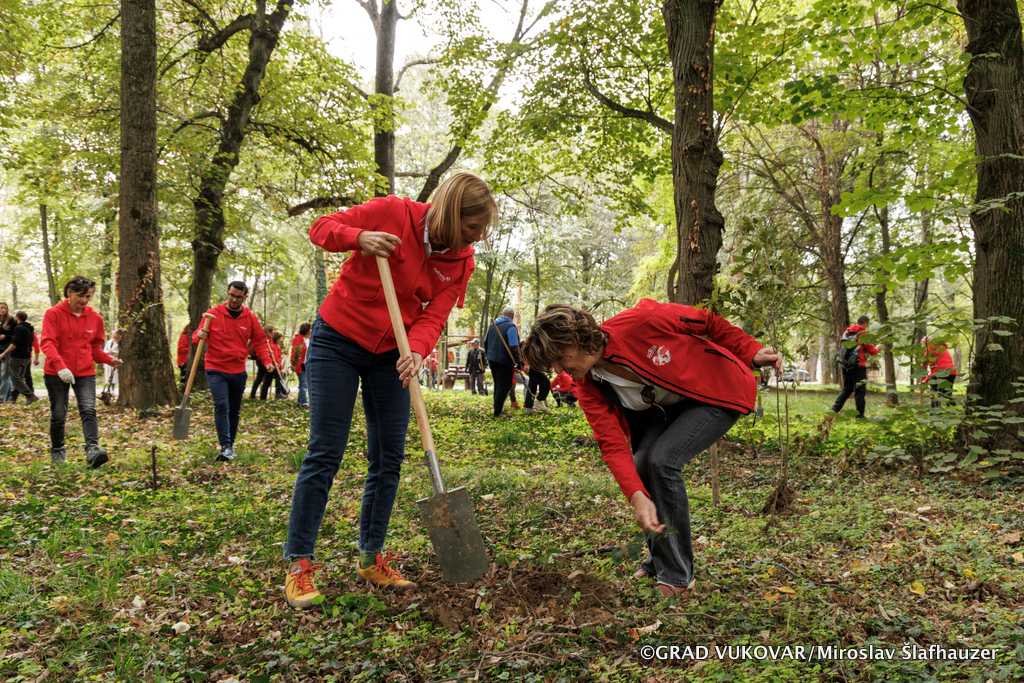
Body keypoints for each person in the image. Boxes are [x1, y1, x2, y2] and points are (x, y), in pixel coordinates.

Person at [282, 172, 497, 609]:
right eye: (473, 227)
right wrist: (358, 237)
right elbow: (321, 228)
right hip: (338, 340)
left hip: (392, 354)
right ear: (450, 213)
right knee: (326, 450)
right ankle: (299, 562)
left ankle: (371, 557)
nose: (477, 237)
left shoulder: (462, 261)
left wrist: (416, 351)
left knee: (388, 457)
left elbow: (435, 314)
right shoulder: (392, 212)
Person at [522, 300, 782, 598]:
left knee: (662, 460)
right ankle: (661, 559)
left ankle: (678, 576)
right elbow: (612, 445)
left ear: (576, 340)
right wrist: (637, 497)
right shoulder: (589, 386)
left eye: (559, 358)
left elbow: (708, 322)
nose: (558, 369)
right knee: (641, 463)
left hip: (718, 391)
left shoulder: (642, 320)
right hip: (669, 409)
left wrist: (751, 351)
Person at [40, 276, 124, 466]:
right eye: (80, 295)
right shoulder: (53, 314)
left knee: (88, 410)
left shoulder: (95, 318)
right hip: (56, 372)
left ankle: (93, 450)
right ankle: (58, 451)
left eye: (88, 296)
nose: (84, 300)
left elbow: (94, 348)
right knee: (58, 414)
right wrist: (60, 366)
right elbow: (47, 342)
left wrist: (108, 360)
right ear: (69, 293)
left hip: (85, 372)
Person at [196, 282, 273, 462]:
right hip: (215, 367)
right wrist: (199, 335)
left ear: (244, 298)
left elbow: (260, 342)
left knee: (234, 410)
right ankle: (225, 446)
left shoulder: (250, 318)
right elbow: (197, 336)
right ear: (227, 293)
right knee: (221, 405)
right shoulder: (213, 314)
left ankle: (230, 446)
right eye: (231, 295)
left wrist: (267, 361)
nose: (234, 299)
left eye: (238, 297)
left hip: (238, 369)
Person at [830, 315, 879, 418]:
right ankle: (860, 415)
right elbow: (872, 352)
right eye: (867, 325)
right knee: (860, 391)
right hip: (859, 365)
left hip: (846, 365)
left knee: (847, 389)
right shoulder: (863, 335)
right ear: (865, 323)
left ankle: (834, 409)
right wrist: (878, 347)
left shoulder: (847, 332)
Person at [484, 305, 522, 418]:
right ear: (512, 316)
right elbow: (514, 346)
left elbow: (486, 342)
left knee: (498, 384)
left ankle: (498, 409)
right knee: (504, 386)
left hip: (492, 359)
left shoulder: (493, 325)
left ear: (503, 314)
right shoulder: (510, 326)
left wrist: (489, 355)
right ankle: (498, 411)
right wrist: (518, 361)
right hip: (505, 360)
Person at [0, 311, 38, 404]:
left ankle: (30, 395)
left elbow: (15, 343)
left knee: (15, 378)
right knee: (19, 378)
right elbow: (32, 343)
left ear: (17, 318)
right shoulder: (29, 329)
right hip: (26, 357)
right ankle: (12, 399)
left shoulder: (18, 328)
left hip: (17, 356)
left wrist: (4, 353)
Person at [922, 337, 956, 407]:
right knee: (948, 394)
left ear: (927, 342)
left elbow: (925, 358)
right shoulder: (941, 348)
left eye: (922, 344)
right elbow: (935, 370)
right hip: (951, 372)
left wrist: (922, 365)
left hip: (940, 374)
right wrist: (925, 380)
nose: (922, 346)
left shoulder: (931, 346)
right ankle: (953, 411)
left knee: (935, 395)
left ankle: (934, 412)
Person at [259, 331, 289, 400]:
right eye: (279, 339)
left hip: (274, 365)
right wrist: (278, 366)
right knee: (278, 378)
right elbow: (274, 357)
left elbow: (277, 357)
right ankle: (278, 393)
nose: (280, 340)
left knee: (271, 380)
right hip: (273, 365)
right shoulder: (273, 345)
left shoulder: (275, 345)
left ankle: (264, 397)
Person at [249, 324, 276, 399]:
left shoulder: (270, 339)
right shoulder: (265, 338)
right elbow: (263, 348)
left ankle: (253, 395)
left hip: (264, 360)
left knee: (259, 378)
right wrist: (269, 352)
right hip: (263, 360)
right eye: (273, 330)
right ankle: (263, 397)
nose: (274, 332)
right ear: (269, 331)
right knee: (267, 378)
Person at [291, 323, 312, 407]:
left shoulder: (310, 339)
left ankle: (300, 401)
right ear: (306, 330)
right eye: (310, 329)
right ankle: (303, 402)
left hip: (308, 364)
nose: (311, 330)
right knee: (303, 384)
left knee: (304, 384)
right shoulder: (298, 339)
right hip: (300, 365)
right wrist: (294, 363)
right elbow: (294, 352)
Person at [0, 302, 15, 402]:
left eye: (5, 308)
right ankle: (7, 394)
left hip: (6, 349)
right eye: (1, 308)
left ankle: (1, 399)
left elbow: (15, 336)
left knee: (4, 375)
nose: (3, 310)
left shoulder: (11, 320)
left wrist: (5, 336)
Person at [102, 330, 121, 396]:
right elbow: (104, 350)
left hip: (115, 359)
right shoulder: (108, 342)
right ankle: (108, 389)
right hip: (109, 359)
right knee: (108, 375)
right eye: (112, 333)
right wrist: (108, 352)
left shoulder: (119, 342)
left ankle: (113, 389)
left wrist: (114, 352)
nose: (113, 335)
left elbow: (119, 351)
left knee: (114, 375)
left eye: (115, 333)